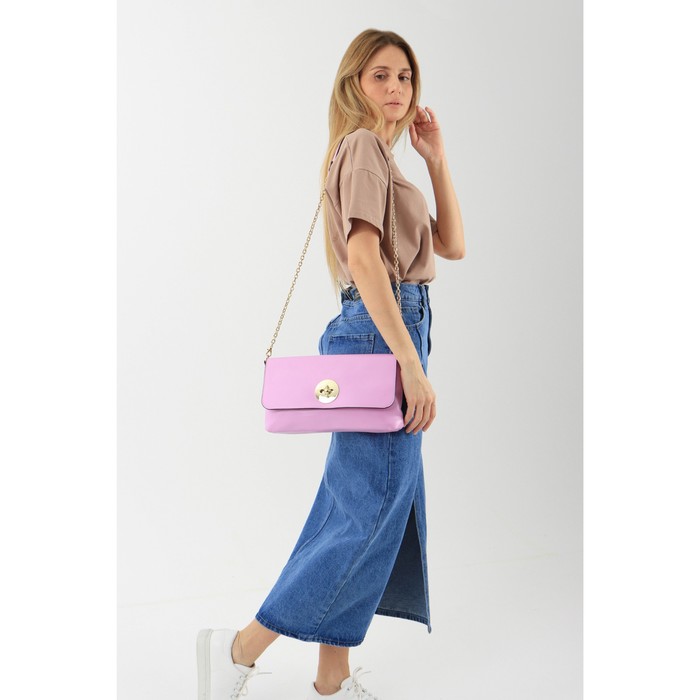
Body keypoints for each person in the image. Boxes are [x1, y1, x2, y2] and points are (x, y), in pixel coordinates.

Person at [197, 28, 465, 700]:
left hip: (393, 326)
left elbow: (453, 245)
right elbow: (366, 259)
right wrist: (409, 363)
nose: (396, 88)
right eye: (381, 75)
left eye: (405, 76)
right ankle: (238, 648)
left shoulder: (385, 158)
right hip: (385, 332)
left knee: (363, 506)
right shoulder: (363, 147)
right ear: (354, 84)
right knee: (367, 512)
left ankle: (330, 677)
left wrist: (436, 159)